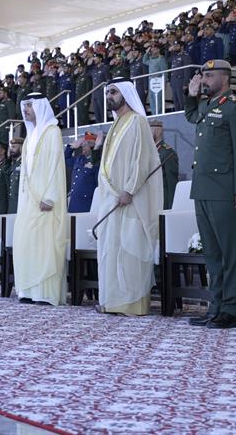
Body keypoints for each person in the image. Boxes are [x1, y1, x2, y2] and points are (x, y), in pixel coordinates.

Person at [184, 60, 236, 329]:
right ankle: (215, 307)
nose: (204, 79)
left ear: (225, 79)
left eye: (209, 75)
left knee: (230, 252)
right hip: (202, 188)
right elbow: (191, 116)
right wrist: (190, 96)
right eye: (203, 74)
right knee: (212, 254)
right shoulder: (207, 105)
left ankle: (232, 309)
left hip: (225, 190)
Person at [94, 78, 163, 315]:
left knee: (130, 249)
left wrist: (130, 190)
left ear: (125, 93)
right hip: (112, 199)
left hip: (130, 199)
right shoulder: (115, 125)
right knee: (111, 250)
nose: (109, 97)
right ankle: (112, 301)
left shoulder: (138, 122)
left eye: (113, 92)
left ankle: (132, 304)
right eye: (107, 93)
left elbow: (142, 161)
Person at [13, 92, 68, 306]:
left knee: (44, 245)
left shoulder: (52, 132)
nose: (26, 110)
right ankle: (28, 290)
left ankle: (45, 293)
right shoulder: (30, 135)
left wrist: (50, 197)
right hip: (28, 202)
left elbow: (56, 168)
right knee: (26, 243)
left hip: (46, 201)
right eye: (24, 106)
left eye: (29, 106)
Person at [65, 133, 99, 213]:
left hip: (87, 205)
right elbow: (65, 160)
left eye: (87, 143)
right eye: (83, 144)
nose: (83, 145)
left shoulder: (97, 161)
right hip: (74, 204)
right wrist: (71, 147)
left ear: (93, 145)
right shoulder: (79, 159)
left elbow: (98, 184)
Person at [149, 120, 178, 210]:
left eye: (149, 130)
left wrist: (171, 208)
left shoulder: (167, 153)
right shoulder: (149, 151)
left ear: (158, 131)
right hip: (150, 201)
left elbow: (172, 183)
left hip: (162, 202)